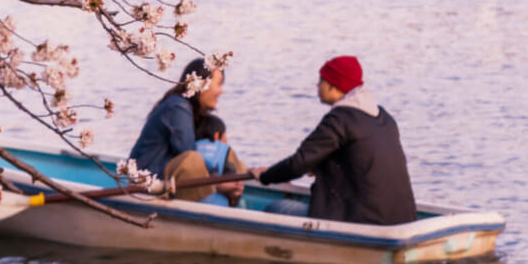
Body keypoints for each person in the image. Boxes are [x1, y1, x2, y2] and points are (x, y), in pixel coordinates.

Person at [255, 56, 416, 225]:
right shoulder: (384, 118)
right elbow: (359, 159)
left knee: (273, 209)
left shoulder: (340, 119)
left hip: (364, 221)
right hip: (403, 220)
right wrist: (321, 166)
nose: (317, 86)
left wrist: (265, 176)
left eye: (321, 81)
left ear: (333, 85)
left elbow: (298, 163)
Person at [128, 59, 247, 203]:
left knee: (232, 159)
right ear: (202, 84)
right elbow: (188, 157)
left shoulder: (191, 112)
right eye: (219, 84)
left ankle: (232, 194)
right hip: (149, 181)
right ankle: (215, 203)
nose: (221, 91)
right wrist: (218, 182)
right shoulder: (177, 107)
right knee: (192, 160)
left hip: (169, 179)